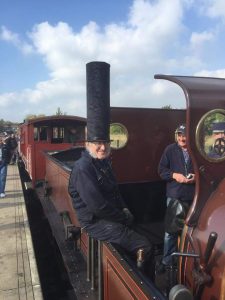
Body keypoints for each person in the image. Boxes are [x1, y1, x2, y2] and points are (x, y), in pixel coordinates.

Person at [68, 61, 154, 278]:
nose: (102, 146)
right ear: (87, 144)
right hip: (95, 222)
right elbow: (97, 206)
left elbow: (114, 192)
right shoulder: (83, 168)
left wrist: (125, 210)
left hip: (109, 217)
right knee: (146, 245)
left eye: (105, 142)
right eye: (97, 142)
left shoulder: (103, 163)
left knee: (141, 232)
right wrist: (122, 218)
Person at [157, 124, 195, 273]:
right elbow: (161, 170)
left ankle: (188, 263)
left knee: (191, 232)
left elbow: (204, 169)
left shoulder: (196, 150)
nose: (182, 138)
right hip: (175, 196)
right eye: (179, 135)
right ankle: (168, 261)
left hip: (193, 197)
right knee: (170, 232)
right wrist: (174, 175)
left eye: (184, 135)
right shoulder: (170, 150)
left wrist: (196, 178)